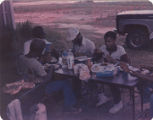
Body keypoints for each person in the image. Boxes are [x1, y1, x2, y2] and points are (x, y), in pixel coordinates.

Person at [20, 38, 80, 113]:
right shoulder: (35, 64)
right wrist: (52, 68)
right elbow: (47, 79)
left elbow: (33, 67)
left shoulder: (21, 57)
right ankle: (69, 106)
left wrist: (41, 61)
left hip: (26, 83)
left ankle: (64, 100)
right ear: (41, 51)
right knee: (66, 83)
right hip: (39, 88)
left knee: (59, 79)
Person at [97, 31, 130, 114]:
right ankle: (102, 97)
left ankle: (118, 103)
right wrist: (96, 54)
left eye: (109, 41)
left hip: (120, 72)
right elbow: (98, 60)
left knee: (112, 81)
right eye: (106, 41)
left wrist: (113, 60)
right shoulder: (103, 48)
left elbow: (127, 64)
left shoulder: (120, 50)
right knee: (93, 78)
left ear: (115, 41)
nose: (107, 43)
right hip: (107, 71)